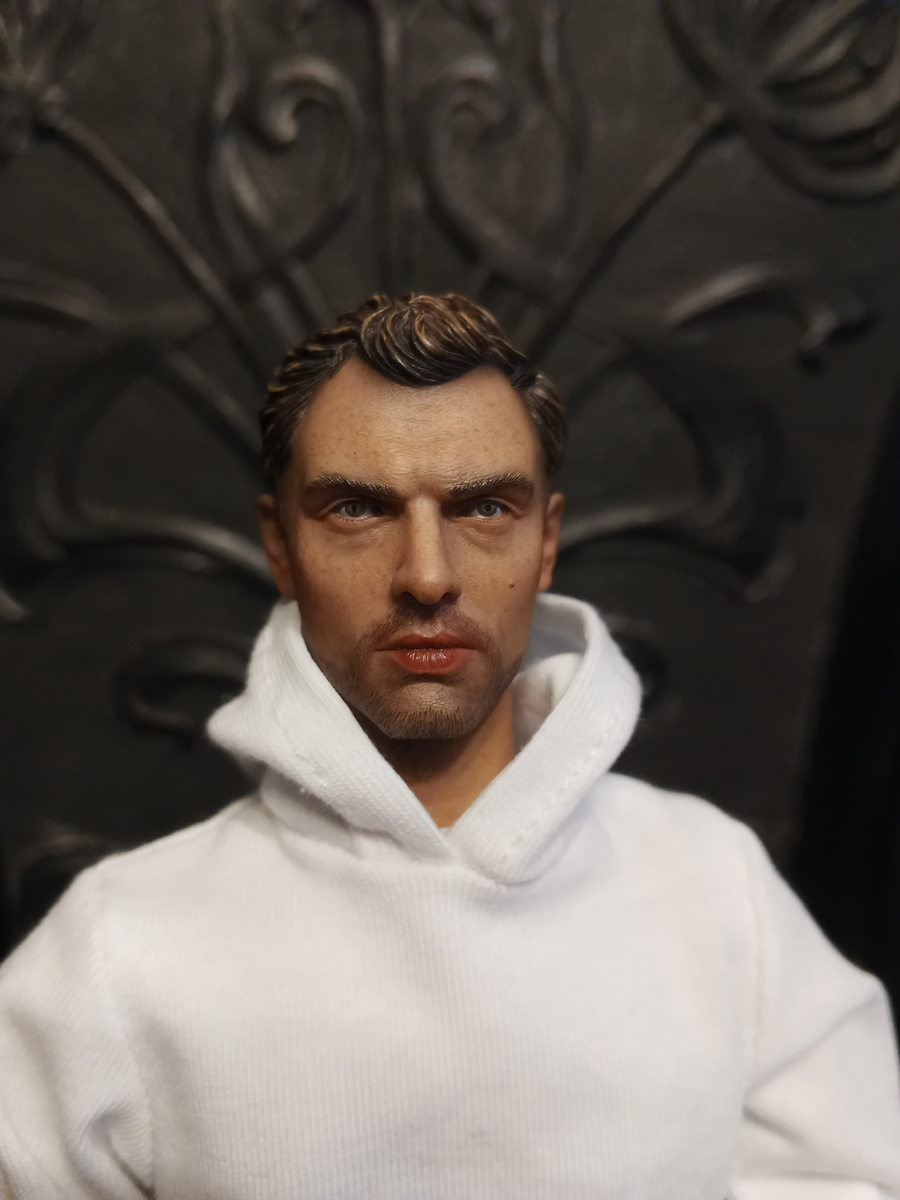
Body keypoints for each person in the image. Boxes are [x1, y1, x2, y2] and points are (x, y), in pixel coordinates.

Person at [0, 293, 898, 1200]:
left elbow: (847, 1176)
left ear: (546, 542)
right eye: (359, 508)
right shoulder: (116, 949)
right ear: (280, 545)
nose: (427, 576)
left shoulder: (715, 889)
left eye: (485, 507)